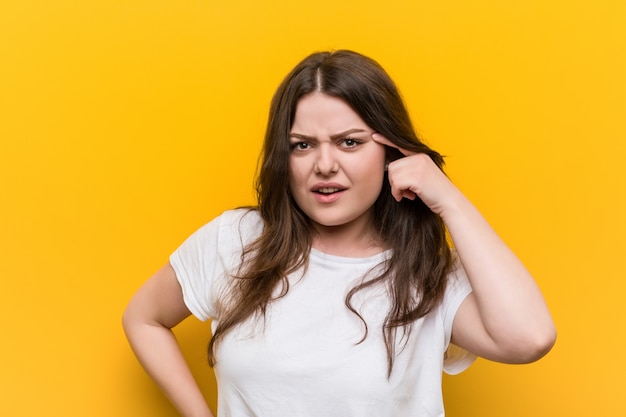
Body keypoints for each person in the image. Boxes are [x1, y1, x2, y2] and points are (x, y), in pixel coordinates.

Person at [122, 50, 556, 417]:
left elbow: (529, 338)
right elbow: (142, 318)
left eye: (350, 142)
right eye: (302, 144)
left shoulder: (425, 270)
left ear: (391, 150)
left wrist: (447, 198)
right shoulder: (237, 241)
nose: (324, 165)